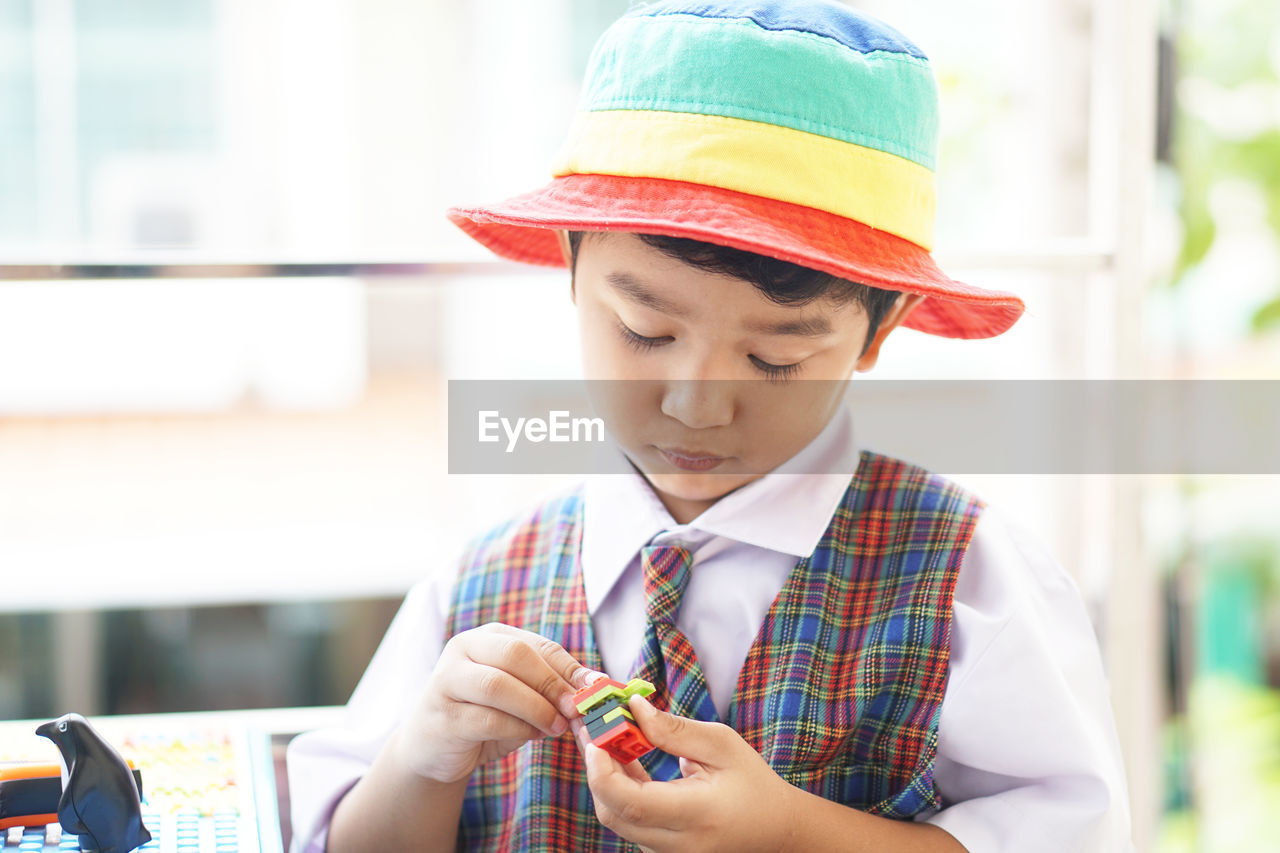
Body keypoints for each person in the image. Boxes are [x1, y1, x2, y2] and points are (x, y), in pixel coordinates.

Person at [286, 2, 1135, 850]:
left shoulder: (972, 587)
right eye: (645, 332)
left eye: (775, 357)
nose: (698, 404)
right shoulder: (475, 587)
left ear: (881, 327)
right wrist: (425, 758)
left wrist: (798, 834)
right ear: (573, 271)